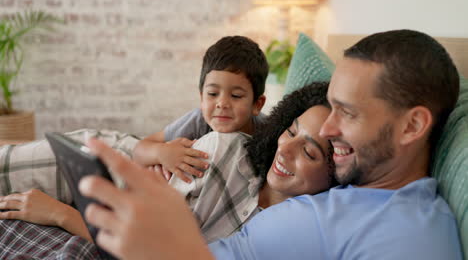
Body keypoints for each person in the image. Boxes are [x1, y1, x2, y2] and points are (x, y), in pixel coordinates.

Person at [79, 29, 463, 259]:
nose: (328, 129)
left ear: (411, 126)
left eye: (346, 113)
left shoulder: (407, 232)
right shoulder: (350, 187)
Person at [0, 83, 334, 246]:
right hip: (118, 164)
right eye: (290, 131)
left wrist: (60, 214)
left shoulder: (291, 234)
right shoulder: (226, 149)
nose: (286, 149)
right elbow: (142, 231)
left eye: (309, 152)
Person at [132, 35, 269, 183]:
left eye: (236, 95)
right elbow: (140, 148)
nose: (222, 103)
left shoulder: (266, 132)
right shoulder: (198, 121)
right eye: (212, 94)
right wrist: (161, 154)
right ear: (202, 97)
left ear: (257, 104)